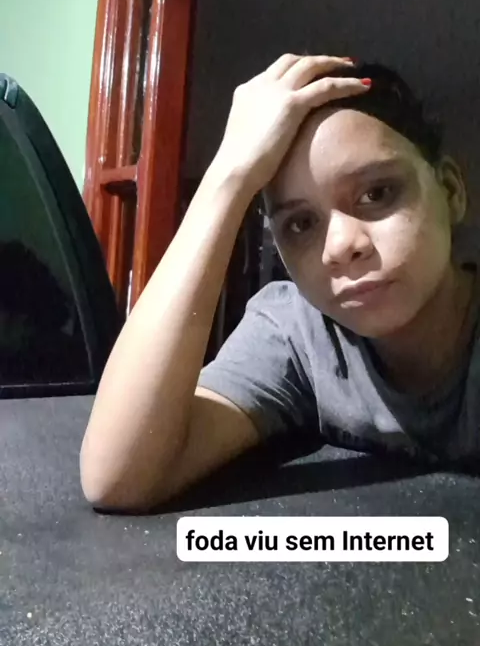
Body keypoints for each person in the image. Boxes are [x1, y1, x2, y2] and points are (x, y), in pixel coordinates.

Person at [80, 54, 480, 512]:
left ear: (451, 191)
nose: (340, 246)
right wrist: (229, 175)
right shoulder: (299, 335)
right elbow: (116, 476)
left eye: (377, 193)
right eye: (300, 223)